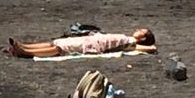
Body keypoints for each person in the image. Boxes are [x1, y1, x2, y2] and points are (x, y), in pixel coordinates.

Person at [10, 29, 156, 58]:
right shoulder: (128, 39)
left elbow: (151, 48)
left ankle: (25, 52)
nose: (137, 30)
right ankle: (23, 46)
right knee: (55, 42)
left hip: (91, 46)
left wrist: (148, 47)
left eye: (141, 31)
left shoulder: (130, 44)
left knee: (58, 48)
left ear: (143, 39)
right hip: (90, 40)